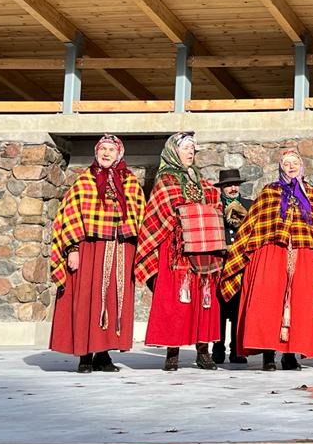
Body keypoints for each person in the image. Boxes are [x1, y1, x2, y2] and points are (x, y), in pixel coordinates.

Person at [220, 147, 313, 371]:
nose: (291, 167)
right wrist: (246, 254)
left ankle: (290, 354)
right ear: (280, 168)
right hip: (271, 253)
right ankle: (268, 354)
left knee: (299, 305)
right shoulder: (269, 192)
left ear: (301, 166)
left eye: (294, 163)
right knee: (268, 304)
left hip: (303, 254)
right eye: (286, 164)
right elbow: (252, 224)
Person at [49, 135, 145, 373]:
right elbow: (69, 215)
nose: (106, 153)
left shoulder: (130, 182)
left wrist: (138, 252)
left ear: (119, 153)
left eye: (111, 149)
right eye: (103, 149)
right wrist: (72, 249)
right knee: (87, 299)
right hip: (90, 249)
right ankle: (85, 355)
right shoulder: (85, 181)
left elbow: (140, 216)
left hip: (121, 248)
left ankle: (103, 354)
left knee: (113, 300)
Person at [135, 132, 224, 371]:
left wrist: (201, 212)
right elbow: (160, 211)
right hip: (176, 250)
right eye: (185, 148)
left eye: (192, 149)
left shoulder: (201, 180)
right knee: (175, 300)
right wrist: (192, 213)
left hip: (202, 248)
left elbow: (214, 201)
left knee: (204, 298)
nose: (190, 152)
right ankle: (172, 352)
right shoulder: (165, 181)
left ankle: (203, 351)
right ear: (174, 152)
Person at [212, 168, 252, 365]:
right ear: (222, 188)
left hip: (240, 263)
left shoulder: (250, 206)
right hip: (219, 263)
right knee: (218, 309)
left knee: (238, 307)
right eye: (228, 185)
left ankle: (236, 349)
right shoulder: (214, 208)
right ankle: (217, 349)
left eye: (235, 184)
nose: (233, 188)